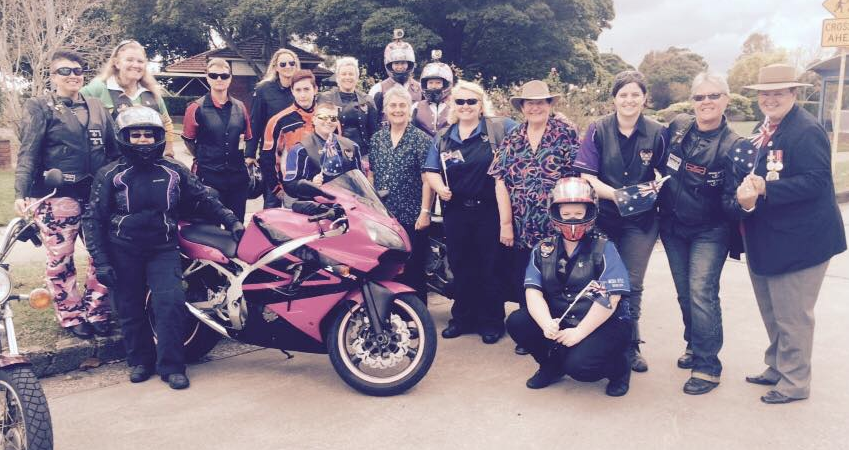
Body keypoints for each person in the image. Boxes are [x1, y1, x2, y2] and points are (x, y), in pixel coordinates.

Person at [83, 106, 244, 390]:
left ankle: (172, 366)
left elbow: (205, 197)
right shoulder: (110, 174)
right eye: (136, 135)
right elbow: (93, 219)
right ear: (124, 138)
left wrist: (230, 220)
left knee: (169, 305)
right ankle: (139, 361)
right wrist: (101, 262)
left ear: (158, 136)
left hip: (163, 249)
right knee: (129, 308)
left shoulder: (173, 170)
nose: (143, 140)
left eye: (148, 134)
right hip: (123, 250)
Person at [728, 64, 846, 404]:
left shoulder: (805, 130)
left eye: (779, 92)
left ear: (793, 94)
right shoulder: (764, 128)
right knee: (773, 310)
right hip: (770, 237)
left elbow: (817, 181)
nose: (770, 99)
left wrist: (765, 188)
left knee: (793, 315)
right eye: (765, 93)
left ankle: (795, 382)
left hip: (802, 241)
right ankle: (778, 366)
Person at [14, 50, 117, 339]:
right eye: (65, 71)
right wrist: (21, 192)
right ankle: (71, 314)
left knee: (103, 253)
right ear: (53, 75)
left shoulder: (97, 106)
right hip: (56, 194)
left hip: (95, 193)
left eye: (78, 70)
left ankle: (97, 310)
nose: (73, 75)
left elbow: (114, 152)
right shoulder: (39, 106)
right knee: (61, 257)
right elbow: (28, 153)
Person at [574, 70, 666, 373]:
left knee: (632, 283)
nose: (629, 100)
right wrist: (618, 195)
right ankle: (599, 339)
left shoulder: (657, 132)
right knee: (602, 282)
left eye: (635, 94)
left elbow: (666, 175)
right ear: (614, 98)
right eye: (623, 94)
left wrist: (654, 188)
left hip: (641, 222)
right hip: (604, 218)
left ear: (644, 98)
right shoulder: (597, 129)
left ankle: (630, 346)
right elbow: (587, 177)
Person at [506, 177, 632, 396]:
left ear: (590, 211)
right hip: (563, 316)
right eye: (566, 214)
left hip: (604, 322)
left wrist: (579, 333)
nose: (572, 220)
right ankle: (550, 366)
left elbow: (610, 298)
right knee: (518, 322)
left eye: (578, 214)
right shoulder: (542, 249)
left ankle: (620, 368)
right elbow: (532, 291)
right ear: (555, 213)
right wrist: (546, 324)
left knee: (580, 368)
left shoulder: (604, 248)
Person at [658, 73, 743, 395]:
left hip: (710, 230)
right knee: (684, 293)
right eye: (700, 97)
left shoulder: (734, 145)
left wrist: (743, 201)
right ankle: (694, 345)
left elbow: (732, 202)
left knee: (701, 293)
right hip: (672, 227)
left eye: (714, 96)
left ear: (726, 100)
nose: (706, 102)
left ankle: (708, 366)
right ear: (691, 102)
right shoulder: (678, 128)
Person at [489, 79, 581, 355]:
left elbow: (578, 176)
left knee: (558, 279)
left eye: (541, 102)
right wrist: (506, 224)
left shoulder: (565, 132)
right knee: (525, 279)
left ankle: (560, 331)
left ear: (550, 105)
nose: (535, 107)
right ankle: (530, 332)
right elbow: (500, 180)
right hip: (522, 225)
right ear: (522, 107)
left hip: (558, 224)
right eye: (530, 103)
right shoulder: (514, 136)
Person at [423, 80, 518, 344]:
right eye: (460, 102)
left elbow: (530, 134)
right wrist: (440, 187)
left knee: (491, 267)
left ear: (481, 104)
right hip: (456, 212)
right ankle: (462, 318)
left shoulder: (500, 128)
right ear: (453, 105)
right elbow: (430, 170)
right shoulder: (444, 136)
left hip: (489, 210)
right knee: (461, 266)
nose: (465, 106)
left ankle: (491, 321)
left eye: (471, 101)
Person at [369, 86, 435, 302]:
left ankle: (416, 314)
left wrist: (425, 212)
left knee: (413, 267)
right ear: (386, 110)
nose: (397, 110)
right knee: (386, 267)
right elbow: (371, 175)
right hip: (384, 217)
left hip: (412, 215)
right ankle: (392, 312)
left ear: (409, 109)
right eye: (393, 106)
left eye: (402, 105)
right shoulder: (377, 139)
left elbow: (428, 179)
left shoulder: (421, 139)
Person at [181, 58, 253, 221]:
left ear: (230, 78)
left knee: (237, 223)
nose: (219, 79)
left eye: (224, 75)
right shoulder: (195, 108)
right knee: (211, 226)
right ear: (207, 78)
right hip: (209, 176)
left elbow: (247, 137)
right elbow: (188, 140)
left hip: (237, 177)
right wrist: (205, 155)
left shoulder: (240, 107)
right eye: (214, 75)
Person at [80, 39, 174, 157]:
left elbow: (167, 123)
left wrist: (168, 152)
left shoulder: (152, 93)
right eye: (129, 60)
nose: (135, 65)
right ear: (117, 63)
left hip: (148, 161)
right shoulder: (98, 87)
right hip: (110, 162)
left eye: (140, 61)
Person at [246, 48, 301, 207]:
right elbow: (255, 123)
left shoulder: (300, 89)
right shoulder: (263, 89)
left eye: (291, 63)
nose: (288, 66)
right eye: (282, 64)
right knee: (272, 202)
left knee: (298, 203)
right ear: (276, 67)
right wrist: (249, 154)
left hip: (296, 153)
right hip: (271, 155)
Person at [261, 69, 317, 206]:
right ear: (292, 91)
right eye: (298, 90)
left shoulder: (327, 118)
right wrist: (276, 188)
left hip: (322, 188)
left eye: (306, 89)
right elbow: (268, 158)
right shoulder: (278, 121)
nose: (302, 95)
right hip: (293, 190)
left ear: (315, 90)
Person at [281, 101, 363, 193]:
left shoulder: (351, 146)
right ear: (314, 120)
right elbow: (290, 185)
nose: (328, 121)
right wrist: (311, 184)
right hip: (317, 202)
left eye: (333, 118)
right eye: (323, 117)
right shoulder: (300, 149)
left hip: (348, 202)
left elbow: (360, 181)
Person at [317, 57, 379, 164]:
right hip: (334, 154)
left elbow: (374, 132)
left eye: (351, 74)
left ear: (357, 77)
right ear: (337, 77)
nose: (347, 77)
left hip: (363, 155)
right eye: (344, 74)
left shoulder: (367, 100)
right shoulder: (325, 98)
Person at [368, 30, 422, 118]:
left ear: (409, 64)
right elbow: (371, 118)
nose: (400, 67)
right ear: (389, 65)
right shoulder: (378, 89)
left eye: (403, 63)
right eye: (396, 63)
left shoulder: (420, 88)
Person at [412, 53, 452, 136]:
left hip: (449, 147)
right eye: (430, 83)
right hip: (423, 147)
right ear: (425, 84)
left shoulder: (454, 106)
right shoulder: (416, 106)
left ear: (445, 84)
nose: (434, 86)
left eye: (438, 83)